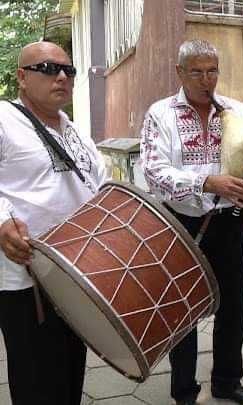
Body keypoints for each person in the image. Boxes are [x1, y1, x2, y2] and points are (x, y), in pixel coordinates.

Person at [140, 39, 243, 405]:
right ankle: (184, 390)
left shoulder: (237, 111)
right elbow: (153, 171)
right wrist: (207, 181)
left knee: (233, 305)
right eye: (197, 71)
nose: (207, 80)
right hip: (181, 223)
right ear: (179, 72)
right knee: (183, 308)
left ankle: (226, 381)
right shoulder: (160, 114)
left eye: (212, 71)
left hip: (228, 221)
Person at [0, 42, 106, 404]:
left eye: (68, 70)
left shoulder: (74, 131)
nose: (61, 76)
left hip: (76, 273)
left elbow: (100, 187)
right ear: (22, 78)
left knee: (70, 369)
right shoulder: (4, 118)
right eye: (48, 68)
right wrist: (1, 223)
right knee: (34, 378)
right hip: (25, 279)